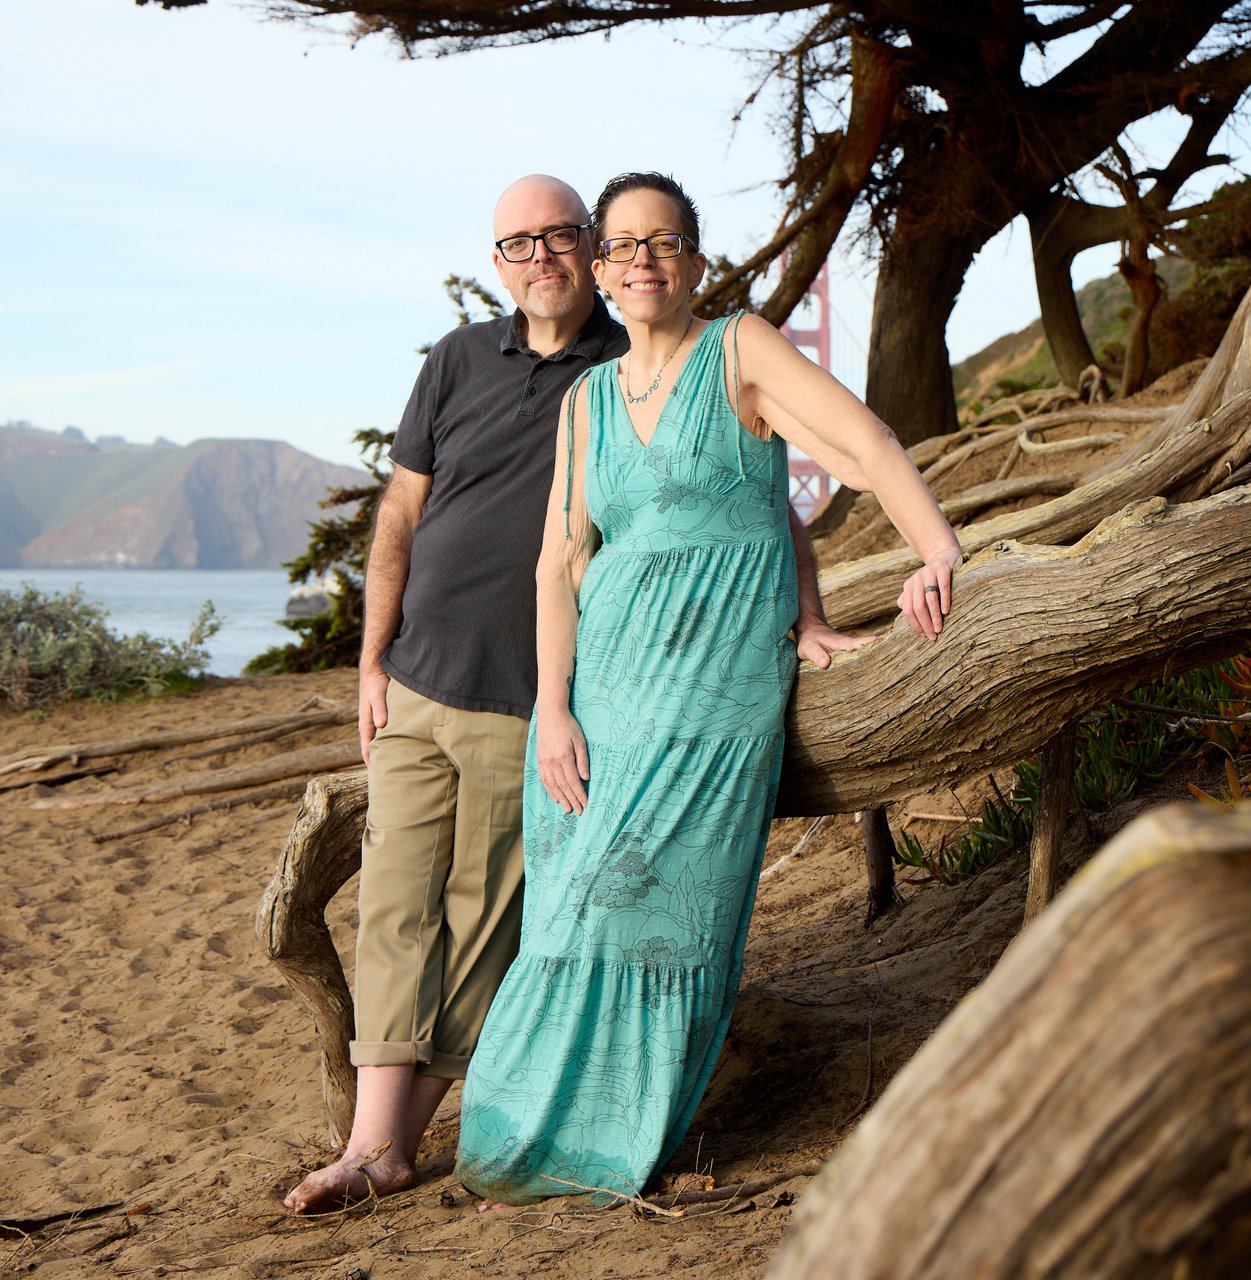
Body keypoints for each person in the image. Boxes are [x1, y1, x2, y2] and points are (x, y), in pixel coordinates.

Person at [284, 174, 862, 1213]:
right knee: (393, 903)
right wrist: (370, 661)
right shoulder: (457, 358)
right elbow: (400, 515)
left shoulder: (637, 351)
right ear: (497, 260)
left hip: (536, 691)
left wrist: (806, 610)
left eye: (559, 235)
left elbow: (749, 486)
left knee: (481, 918)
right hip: (419, 674)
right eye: (519, 241)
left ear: (592, 248)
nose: (541, 255)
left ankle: (404, 1143)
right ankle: (370, 1142)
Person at [453, 172, 964, 1207]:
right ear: (601, 270)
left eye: (665, 241)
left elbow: (860, 446)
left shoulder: (742, 349)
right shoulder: (587, 400)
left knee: (645, 913)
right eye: (623, 244)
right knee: (566, 914)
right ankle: (519, 1140)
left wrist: (936, 550)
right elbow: (560, 563)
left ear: (693, 261)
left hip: (710, 686)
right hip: (600, 691)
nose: (643, 259)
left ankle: (613, 1146)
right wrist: (553, 708)